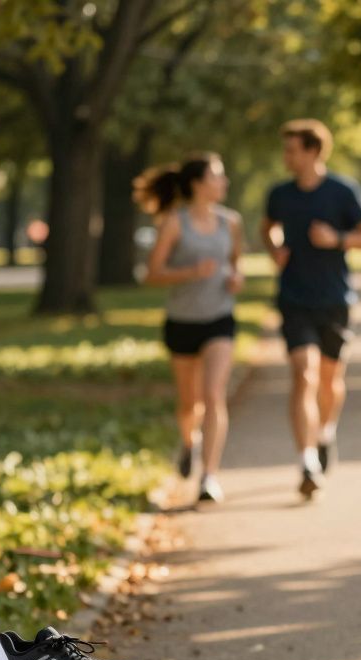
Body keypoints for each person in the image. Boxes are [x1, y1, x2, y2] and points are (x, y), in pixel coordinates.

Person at [260, 119, 361, 500]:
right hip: (294, 298)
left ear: (313, 152)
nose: (286, 157)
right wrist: (273, 248)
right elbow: (266, 227)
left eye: (292, 150)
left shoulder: (342, 191)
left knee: (330, 381)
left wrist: (338, 239)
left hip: (335, 299)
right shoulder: (280, 193)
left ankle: (325, 431)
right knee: (304, 375)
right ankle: (306, 460)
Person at [136, 152, 244, 504]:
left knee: (214, 395)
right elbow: (151, 274)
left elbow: (234, 264)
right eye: (217, 176)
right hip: (182, 321)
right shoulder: (173, 222)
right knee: (188, 404)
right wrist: (190, 273)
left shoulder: (231, 222)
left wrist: (235, 279)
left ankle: (209, 476)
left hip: (220, 318)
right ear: (198, 184)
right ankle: (188, 442)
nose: (223, 182)